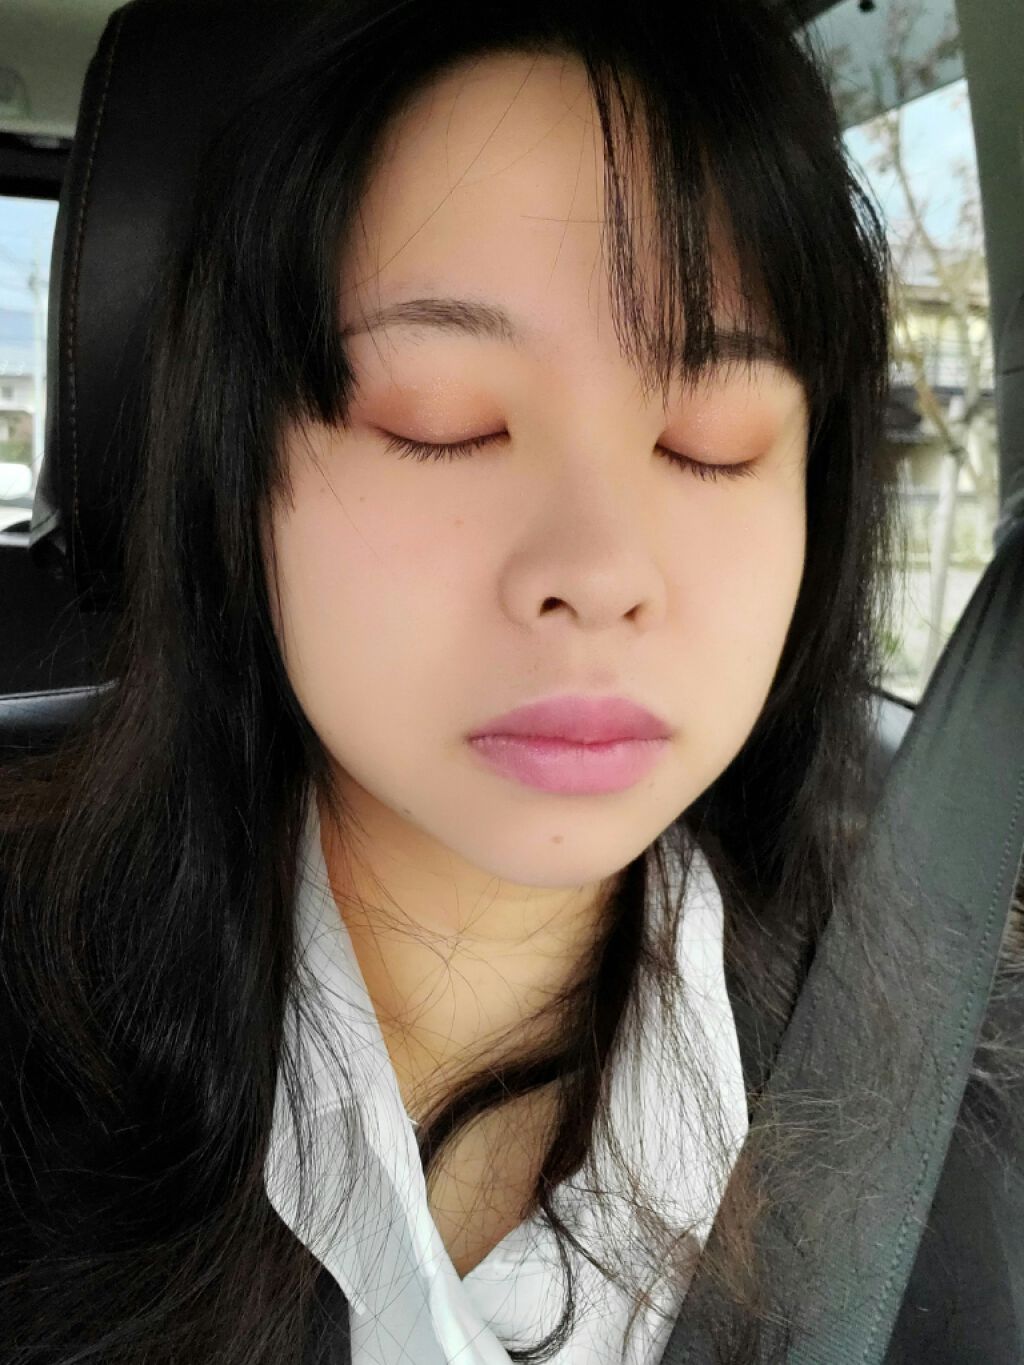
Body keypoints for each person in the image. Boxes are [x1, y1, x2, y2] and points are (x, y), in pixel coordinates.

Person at [1, 0, 1021, 1362]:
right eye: (445, 423)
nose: (598, 571)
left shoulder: (962, 1084)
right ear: (241, 478)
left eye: (712, 441)